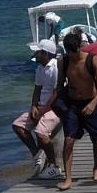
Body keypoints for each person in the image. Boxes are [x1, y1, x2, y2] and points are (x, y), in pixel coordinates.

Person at [54, 31, 97, 191]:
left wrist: (93, 103)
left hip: (91, 102)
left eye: (74, 51)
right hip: (73, 105)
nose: (73, 55)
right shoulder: (63, 61)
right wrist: (49, 105)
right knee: (68, 140)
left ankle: (96, 167)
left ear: (79, 47)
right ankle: (68, 177)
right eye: (69, 52)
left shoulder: (92, 60)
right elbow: (60, 84)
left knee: (95, 139)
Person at [12, 38, 63, 179]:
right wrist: (34, 106)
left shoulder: (55, 68)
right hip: (41, 106)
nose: (35, 55)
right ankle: (37, 154)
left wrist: (43, 110)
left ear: (45, 54)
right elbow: (37, 89)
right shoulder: (40, 68)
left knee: (41, 133)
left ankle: (54, 166)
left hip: (54, 108)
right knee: (18, 125)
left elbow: (56, 92)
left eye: (38, 52)